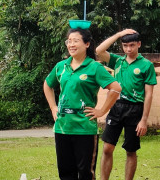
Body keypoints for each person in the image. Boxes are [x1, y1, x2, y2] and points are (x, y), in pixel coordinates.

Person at [43, 27, 122, 180]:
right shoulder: (61, 66)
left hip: (85, 128)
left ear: (87, 44)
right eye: (69, 41)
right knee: (66, 173)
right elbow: (47, 84)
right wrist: (53, 107)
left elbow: (116, 88)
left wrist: (101, 111)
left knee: (86, 173)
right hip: (62, 127)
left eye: (76, 41)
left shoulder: (95, 67)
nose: (71, 44)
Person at [97, 29, 157, 180]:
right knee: (107, 148)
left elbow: (149, 94)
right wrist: (118, 34)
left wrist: (144, 120)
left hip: (135, 109)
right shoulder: (117, 61)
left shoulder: (146, 65)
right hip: (116, 107)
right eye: (125, 46)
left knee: (131, 150)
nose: (128, 49)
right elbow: (99, 50)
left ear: (139, 44)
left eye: (132, 45)